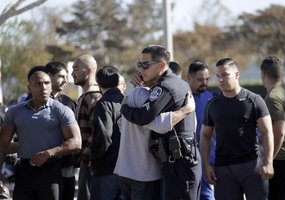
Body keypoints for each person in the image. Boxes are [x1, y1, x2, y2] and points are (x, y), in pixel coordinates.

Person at [121, 45, 201, 200]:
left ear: (162, 65)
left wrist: (124, 109)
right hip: (176, 160)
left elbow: (145, 116)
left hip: (180, 162)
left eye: (145, 65)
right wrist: (144, 85)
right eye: (140, 65)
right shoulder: (169, 83)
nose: (141, 70)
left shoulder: (166, 86)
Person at [200, 58, 274, 200]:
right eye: (218, 76)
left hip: (252, 166)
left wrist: (268, 162)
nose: (221, 79)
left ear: (237, 74)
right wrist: (207, 165)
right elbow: (205, 136)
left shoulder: (254, 100)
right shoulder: (212, 104)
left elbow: (267, 132)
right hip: (223, 169)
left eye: (225, 75)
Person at [0, 71, 82, 200]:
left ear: (51, 85)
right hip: (24, 172)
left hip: (50, 171)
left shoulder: (61, 110)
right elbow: (3, 146)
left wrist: (49, 153)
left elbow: (76, 142)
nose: (43, 87)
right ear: (29, 88)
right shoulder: (14, 112)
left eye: (46, 83)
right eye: (38, 84)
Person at [115, 84, 195, 200]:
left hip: (125, 169)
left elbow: (121, 124)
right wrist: (185, 110)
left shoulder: (131, 93)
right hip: (144, 172)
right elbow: (159, 124)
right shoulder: (144, 95)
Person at [260, 56, 285, 200]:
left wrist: (269, 160)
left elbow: (280, 129)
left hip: (281, 160)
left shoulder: (272, 97)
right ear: (282, 74)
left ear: (263, 75)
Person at [89, 66, 124, 200]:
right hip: (127, 168)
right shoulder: (127, 100)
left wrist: (94, 156)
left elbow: (104, 136)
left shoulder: (103, 104)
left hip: (107, 168)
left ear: (98, 84)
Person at [44, 61, 77, 200]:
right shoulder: (34, 103)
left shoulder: (69, 103)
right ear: (49, 76)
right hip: (43, 167)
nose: (66, 80)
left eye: (66, 76)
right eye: (61, 76)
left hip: (66, 167)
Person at [71, 54, 102, 200]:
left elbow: (98, 130)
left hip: (91, 162)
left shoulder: (94, 96)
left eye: (76, 69)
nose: (72, 73)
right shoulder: (85, 96)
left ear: (89, 71)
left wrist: (86, 157)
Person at [186, 60, 215, 200]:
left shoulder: (210, 98)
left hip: (210, 158)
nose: (204, 82)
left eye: (207, 79)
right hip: (190, 159)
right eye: (200, 79)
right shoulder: (182, 98)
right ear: (189, 78)